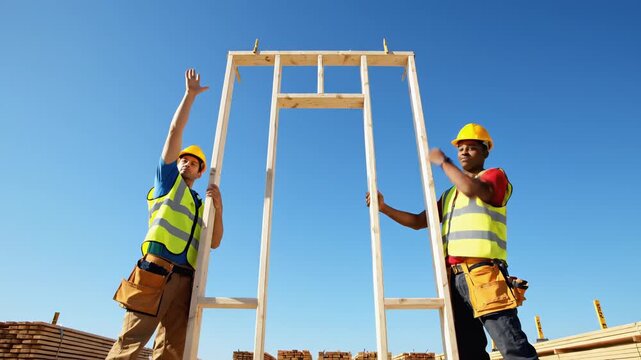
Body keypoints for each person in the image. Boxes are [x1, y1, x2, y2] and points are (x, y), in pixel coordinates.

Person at [367, 123, 538, 360]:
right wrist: (384, 208)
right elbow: (418, 221)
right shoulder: (450, 195)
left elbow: (472, 189)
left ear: (486, 152)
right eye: (461, 148)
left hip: (484, 274)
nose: (464, 152)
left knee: (512, 348)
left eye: (471, 148)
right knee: (467, 352)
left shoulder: (495, 176)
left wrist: (444, 161)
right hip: (454, 279)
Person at [107, 68, 224, 360]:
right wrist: (190, 95)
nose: (186, 163)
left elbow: (214, 242)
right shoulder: (167, 182)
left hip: (187, 282)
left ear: (199, 172)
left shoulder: (201, 203)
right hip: (156, 272)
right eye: (182, 159)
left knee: (171, 353)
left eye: (193, 162)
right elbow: (174, 132)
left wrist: (218, 209)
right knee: (129, 347)